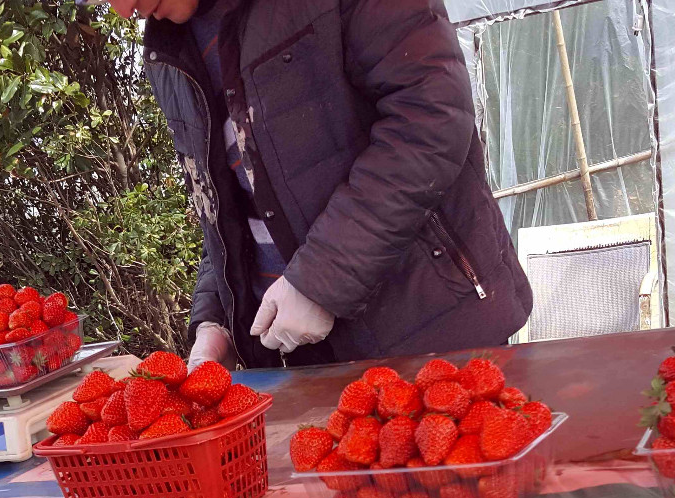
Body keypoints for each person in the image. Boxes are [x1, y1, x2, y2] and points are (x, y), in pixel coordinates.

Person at [110, 0, 532, 369]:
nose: (122, 9)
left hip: (430, 335)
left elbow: (430, 120)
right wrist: (216, 318)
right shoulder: (170, 52)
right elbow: (227, 207)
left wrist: (317, 283)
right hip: (295, 361)